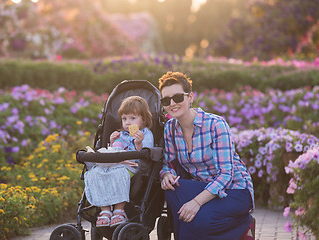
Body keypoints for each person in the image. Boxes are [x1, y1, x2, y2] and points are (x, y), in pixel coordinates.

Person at [158, 71, 255, 240]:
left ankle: (244, 225)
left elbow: (226, 174)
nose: (172, 103)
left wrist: (196, 203)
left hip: (234, 190)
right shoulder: (170, 128)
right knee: (171, 189)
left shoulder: (216, 124)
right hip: (203, 187)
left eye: (178, 97)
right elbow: (168, 163)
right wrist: (166, 174)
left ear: (190, 97)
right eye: (166, 100)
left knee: (198, 220)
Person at [84, 96, 154, 228]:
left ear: (143, 119)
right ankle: (105, 210)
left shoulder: (145, 133)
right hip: (114, 164)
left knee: (119, 173)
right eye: (124, 118)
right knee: (96, 172)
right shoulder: (120, 134)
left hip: (132, 165)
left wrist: (139, 143)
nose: (128, 123)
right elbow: (115, 151)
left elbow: (145, 154)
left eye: (133, 118)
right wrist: (111, 142)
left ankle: (119, 210)